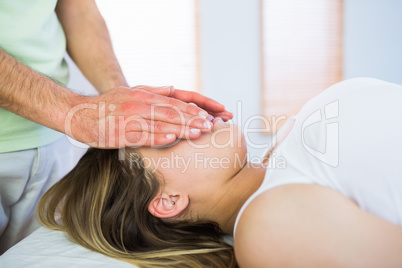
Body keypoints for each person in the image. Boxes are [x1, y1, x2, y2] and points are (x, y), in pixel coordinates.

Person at [38, 78, 402, 267]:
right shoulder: (266, 226)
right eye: (152, 129)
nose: (177, 111)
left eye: (164, 108)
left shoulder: (284, 149)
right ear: (168, 200)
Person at [0, 0, 232, 253]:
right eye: (171, 137)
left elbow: (79, 8)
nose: (185, 123)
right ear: (169, 200)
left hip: (50, 135)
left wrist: (125, 103)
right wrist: (73, 112)